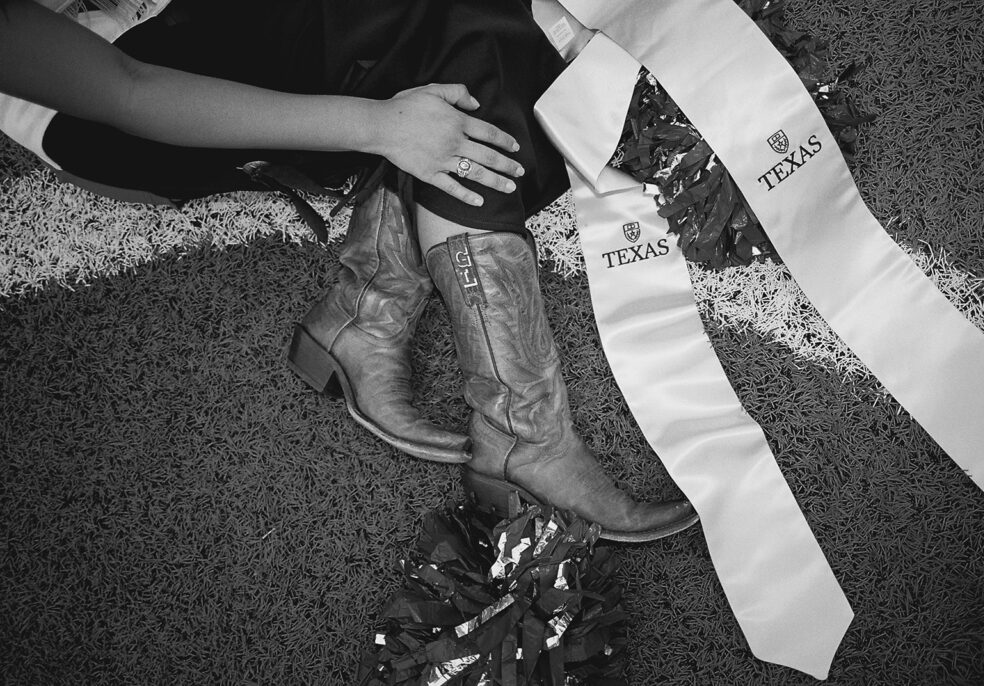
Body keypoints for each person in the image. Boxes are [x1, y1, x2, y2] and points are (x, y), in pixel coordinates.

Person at [0, 0, 698, 541]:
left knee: (483, 33)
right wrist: (377, 126)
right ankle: (519, 430)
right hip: (110, 105)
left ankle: (370, 315)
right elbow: (128, 91)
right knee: (472, 34)